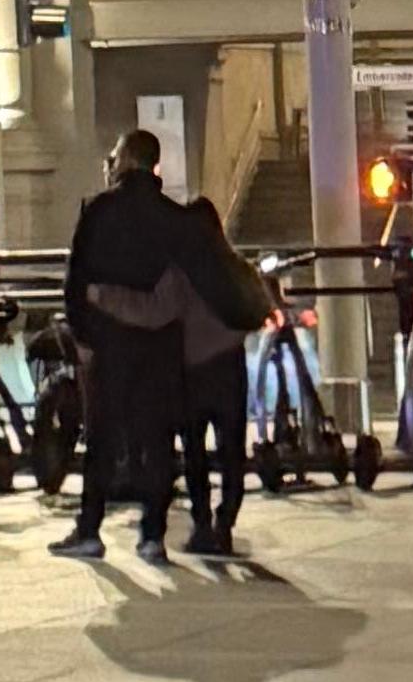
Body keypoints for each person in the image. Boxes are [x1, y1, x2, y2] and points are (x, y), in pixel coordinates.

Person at [58, 127, 189, 562]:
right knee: (157, 438)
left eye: (114, 155)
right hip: (160, 345)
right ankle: (152, 534)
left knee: (102, 439)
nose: (110, 162)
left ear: (128, 159)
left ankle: (90, 529)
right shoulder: (173, 216)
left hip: (108, 344)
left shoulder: (99, 211)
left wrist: (82, 337)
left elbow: (75, 279)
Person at [172, 190, 263, 556]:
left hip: (191, 371)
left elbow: (162, 314)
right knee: (231, 454)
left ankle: (201, 524)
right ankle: (225, 523)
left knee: (194, 453)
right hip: (229, 367)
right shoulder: (236, 267)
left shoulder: (178, 274)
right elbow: (259, 308)